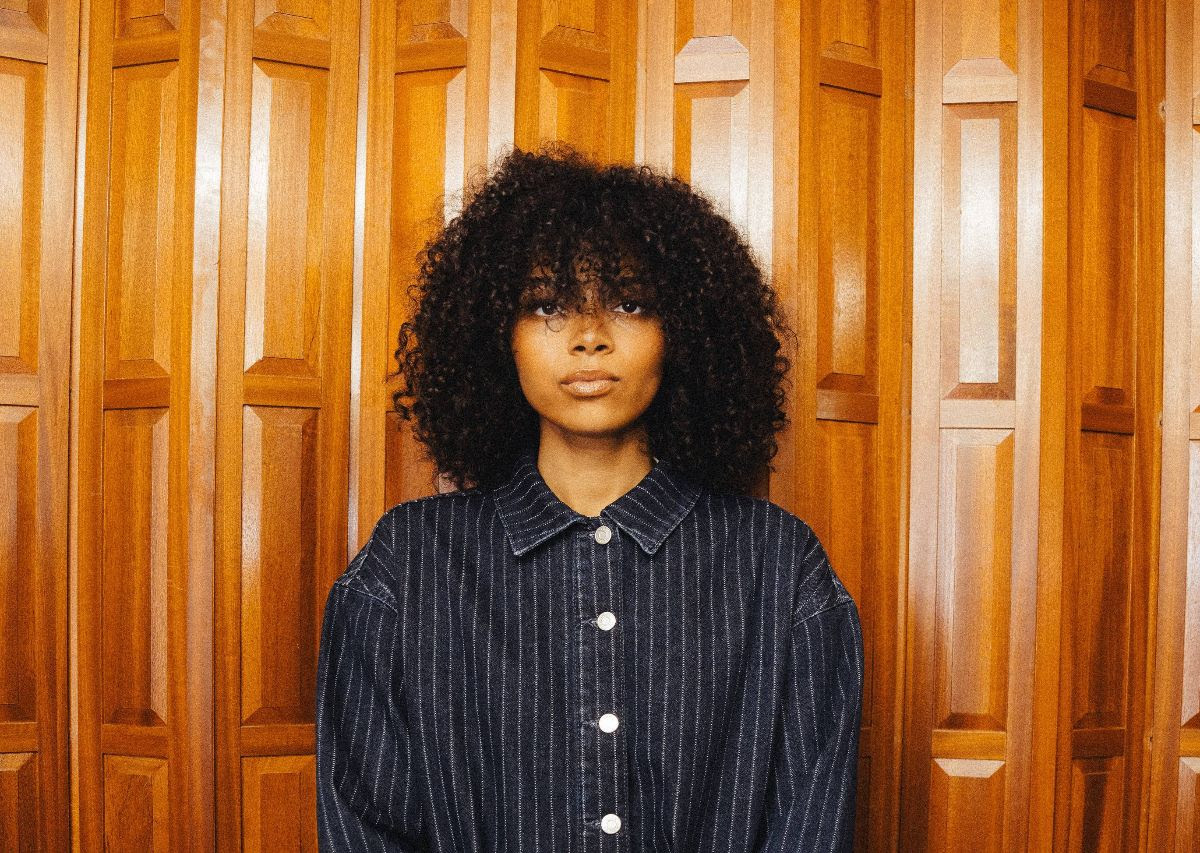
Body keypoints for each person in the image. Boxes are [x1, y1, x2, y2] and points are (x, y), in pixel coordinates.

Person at [315, 144, 864, 852]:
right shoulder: (406, 565)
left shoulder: (781, 568)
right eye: (546, 304)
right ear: (495, 336)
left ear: (685, 333)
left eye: (630, 303)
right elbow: (365, 828)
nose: (589, 337)